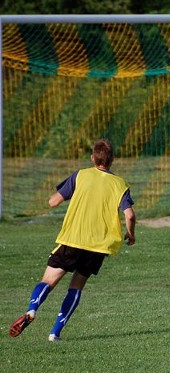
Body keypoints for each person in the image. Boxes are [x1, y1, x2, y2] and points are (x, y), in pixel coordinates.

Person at [9, 139, 136, 342]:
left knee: (48, 281)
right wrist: (131, 234)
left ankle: (32, 310)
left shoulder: (81, 175)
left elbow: (53, 201)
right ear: (112, 160)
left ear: (93, 158)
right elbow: (129, 215)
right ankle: (55, 333)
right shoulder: (119, 184)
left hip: (72, 239)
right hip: (97, 245)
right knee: (76, 286)